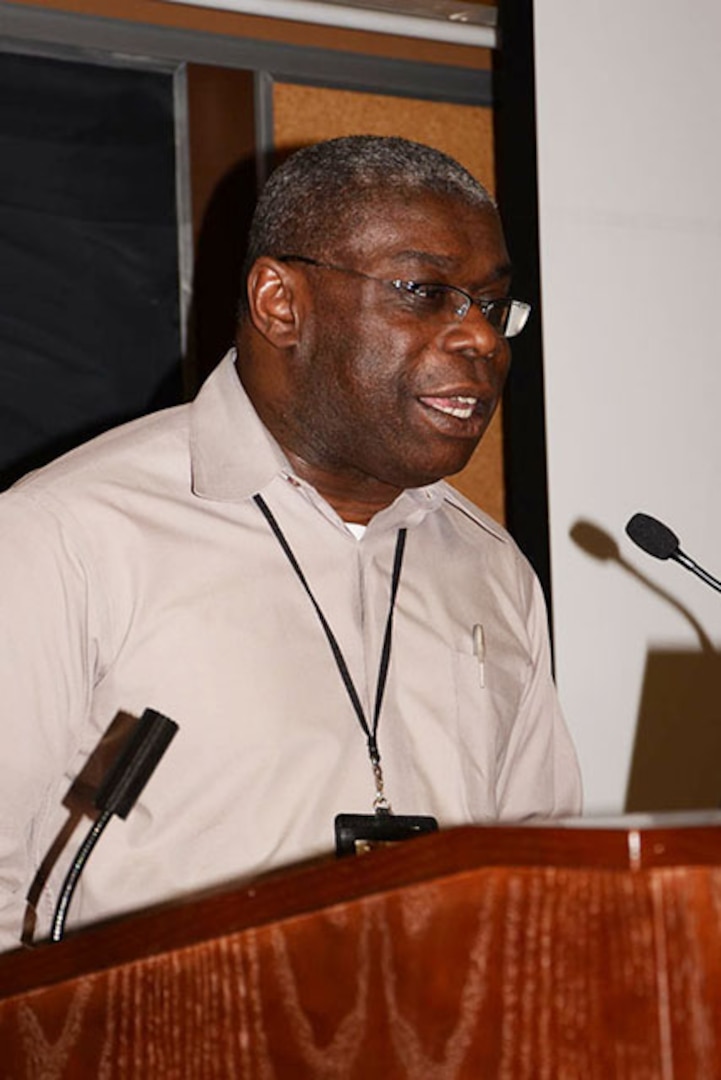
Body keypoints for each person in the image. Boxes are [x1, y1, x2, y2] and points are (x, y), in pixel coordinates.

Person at [0, 135, 581, 953]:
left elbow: (537, 874)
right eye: (423, 292)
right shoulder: (70, 533)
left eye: (490, 305)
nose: (480, 340)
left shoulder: (490, 569)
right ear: (280, 303)